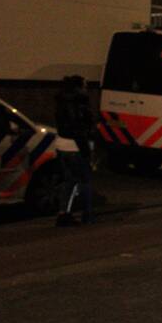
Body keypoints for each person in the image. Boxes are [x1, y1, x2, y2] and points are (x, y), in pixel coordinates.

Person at [54, 75, 95, 226]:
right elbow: (79, 128)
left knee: (69, 180)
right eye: (85, 85)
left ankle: (63, 213)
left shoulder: (61, 101)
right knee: (85, 180)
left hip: (61, 144)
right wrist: (86, 150)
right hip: (75, 146)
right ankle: (87, 214)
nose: (86, 88)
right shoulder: (79, 102)